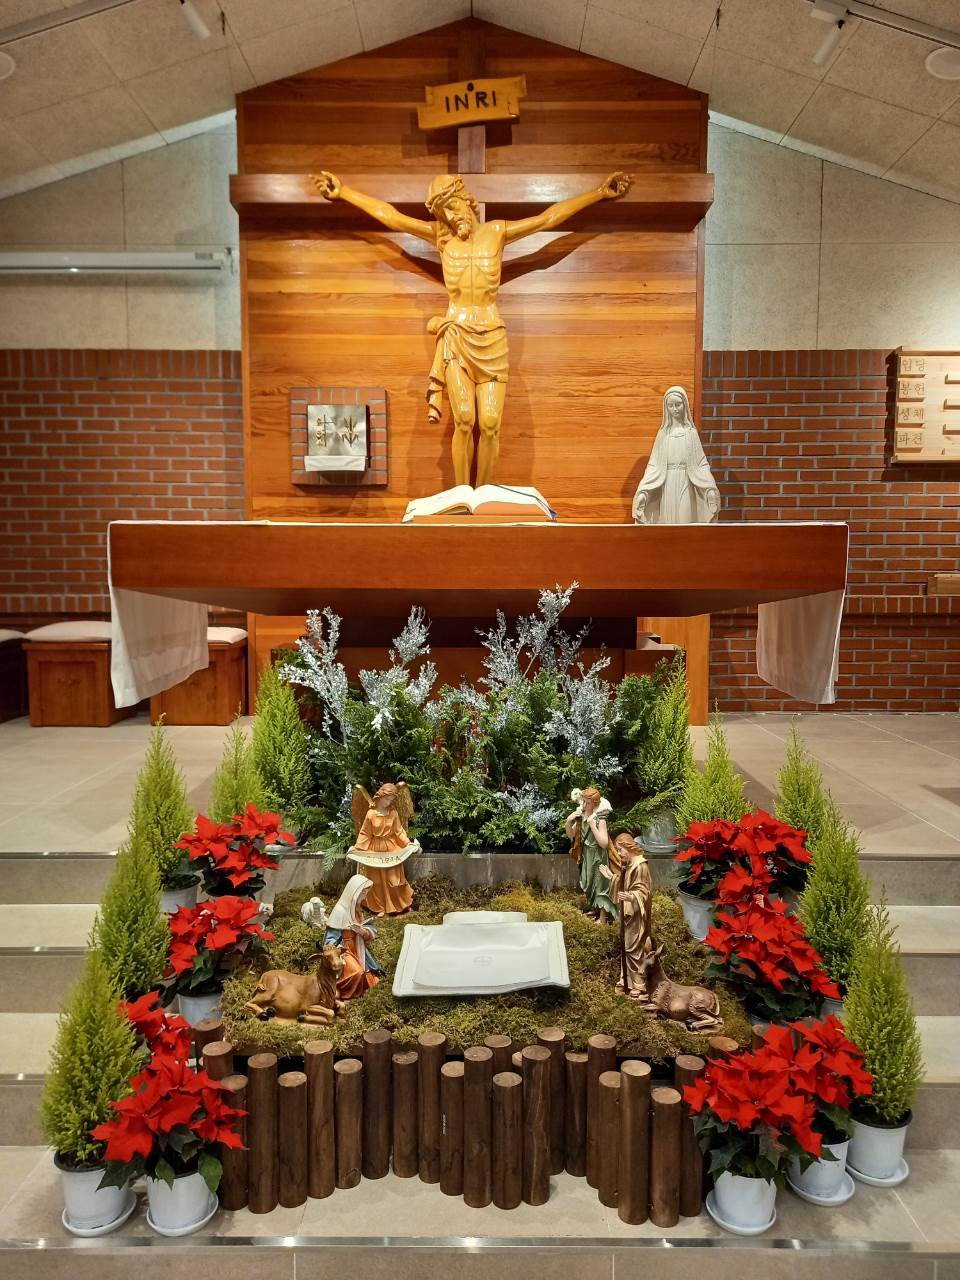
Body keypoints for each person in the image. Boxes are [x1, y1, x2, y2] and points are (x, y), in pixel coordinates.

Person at [313, 168, 632, 487]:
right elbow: (392, 217)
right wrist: (344, 193)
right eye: (443, 213)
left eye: (452, 207)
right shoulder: (440, 237)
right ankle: (462, 494)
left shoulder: (497, 232)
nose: (451, 217)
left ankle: (484, 496)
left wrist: (599, 193)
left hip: (492, 337)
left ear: (466, 200)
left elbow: (547, 219)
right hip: (456, 336)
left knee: (491, 424)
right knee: (464, 420)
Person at [632, 385, 720, 525]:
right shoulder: (663, 434)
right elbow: (654, 465)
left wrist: (709, 489)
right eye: (670, 406)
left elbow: (701, 463)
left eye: (678, 404)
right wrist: (644, 492)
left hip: (686, 481)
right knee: (668, 522)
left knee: (685, 519)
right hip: (668, 483)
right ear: (666, 408)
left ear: (684, 405)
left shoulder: (691, 434)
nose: (675, 409)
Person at [348, 782, 419, 916]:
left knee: (394, 878)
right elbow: (365, 833)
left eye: (390, 800)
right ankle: (379, 907)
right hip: (375, 850)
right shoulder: (371, 814)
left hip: (392, 849)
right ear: (380, 796)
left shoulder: (393, 813)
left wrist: (408, 843)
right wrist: (357, 848)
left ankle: (399, 904)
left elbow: (399, 832)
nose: (388, 802)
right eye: (386, 799)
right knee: (376, 881)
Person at [604, 833, 654, 1000]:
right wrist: (612, 878)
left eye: (620, 850)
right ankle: (627, 980)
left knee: (634, 949)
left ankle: (639, 985)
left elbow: (644, 892)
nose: (619, 854)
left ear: (628, 847)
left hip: (637, 916)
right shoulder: (629, 865)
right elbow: (624, 883)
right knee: (627, 948)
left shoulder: (640, 866)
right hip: (629, 915)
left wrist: (632, 897)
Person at [324, 874, 383, 1002]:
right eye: (363, 893)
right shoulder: (340, 911)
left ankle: (357, 991)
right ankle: (345, 993)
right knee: (357, 972)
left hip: (357, 948)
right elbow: (330, 940)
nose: (365, 896)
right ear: (354, 892)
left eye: (366, 893)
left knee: (371, 979)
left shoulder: (357, 909)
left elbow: (366, 934)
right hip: (344, 950)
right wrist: (338, 951)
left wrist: (362, 931)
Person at [565, 787, 618, 923]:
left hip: (598, 856)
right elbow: (571, 835)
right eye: (583, 802)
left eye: (587, 803)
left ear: (594, 803)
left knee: (600, 885)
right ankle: (596, 908)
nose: (584, 805)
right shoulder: (581, 817)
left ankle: (603, 917)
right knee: (589, 882)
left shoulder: (600, 819)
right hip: (586, 854)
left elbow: (604, 843)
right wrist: (569, 821)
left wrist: (593, 825)